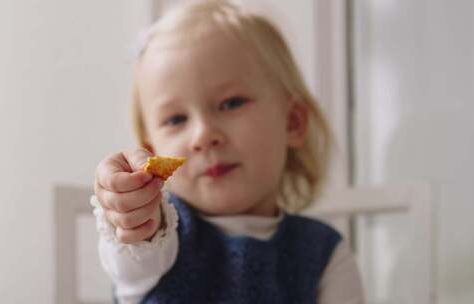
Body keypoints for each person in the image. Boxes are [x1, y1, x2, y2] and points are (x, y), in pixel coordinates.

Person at [91, 1, 364, 303]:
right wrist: (132, 213)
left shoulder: (324, 255)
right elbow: (133, 252)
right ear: (152, 150)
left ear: (292, 122)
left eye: (231, 103)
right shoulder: (158, 237)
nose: (204, 135)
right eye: (176, 119)